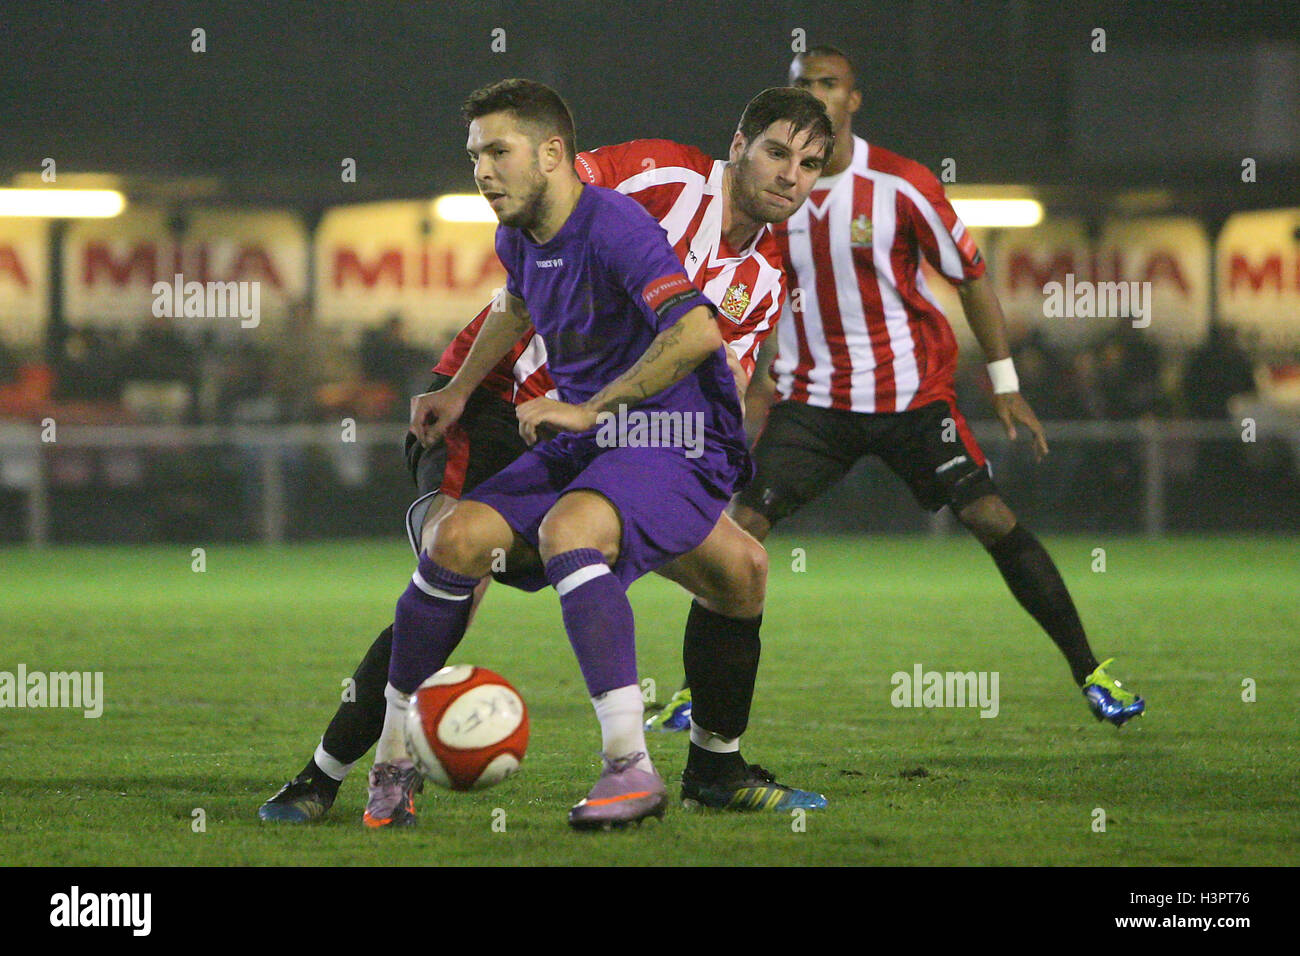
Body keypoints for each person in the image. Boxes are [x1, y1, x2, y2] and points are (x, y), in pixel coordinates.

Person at [259, 81, 834, 828]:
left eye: (811, 164)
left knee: (742, 571)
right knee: (454, 565)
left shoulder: (763, 274)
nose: (791, 176)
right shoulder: (658, 178)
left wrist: (690, 404)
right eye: (777, 153)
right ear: (737, 147)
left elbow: (710, 366)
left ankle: (713, 769)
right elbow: (543, 221)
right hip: (504, 400)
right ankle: (330, 773)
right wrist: (463, 386)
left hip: (611, 431)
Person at [651, 46, 1146, 731]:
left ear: (854, 99)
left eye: (829, 85)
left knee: (989, 517)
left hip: (911, 398)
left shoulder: (902, 184)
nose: (816, 95)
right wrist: (757, 382)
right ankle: (695, 693)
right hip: (813, 401)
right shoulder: (769, 188)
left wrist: (1004, 384)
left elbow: (971, 276)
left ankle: (1090, 670)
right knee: (736, 539)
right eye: (803, 85)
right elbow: (754, 290)